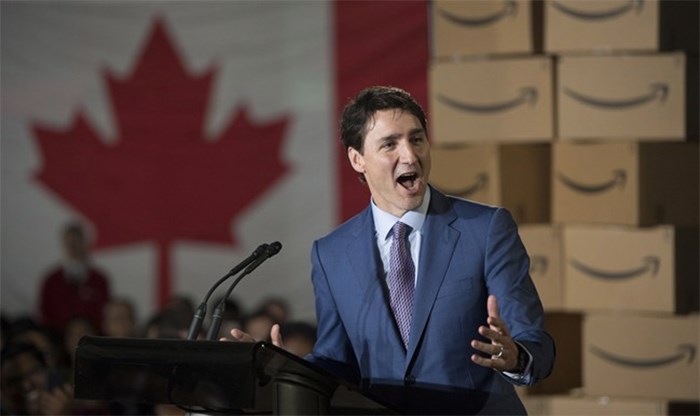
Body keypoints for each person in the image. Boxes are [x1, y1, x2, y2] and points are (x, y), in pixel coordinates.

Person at [230, 86, 554, 414]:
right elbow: (336, 360)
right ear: (358, 160)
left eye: (416, 139)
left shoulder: (485, 229)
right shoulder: (331, 254)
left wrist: (514, 357)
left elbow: (535, 341)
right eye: (390, 144)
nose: (410, 156)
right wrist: (279, 368)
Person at [38, 222, 111, 333]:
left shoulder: (99, 280)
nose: (73, 247)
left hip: (92, 338)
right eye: (70, 243)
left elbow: (105, 311)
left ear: (85, 244)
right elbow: (45, 312)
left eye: (76, 242)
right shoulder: (52, 280)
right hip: (58, 338)